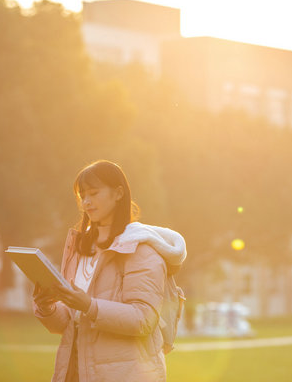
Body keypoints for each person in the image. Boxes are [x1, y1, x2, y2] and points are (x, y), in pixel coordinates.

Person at [32, 160, 186, 382]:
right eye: (82, 195)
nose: (86, 201)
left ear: (118, 193)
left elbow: (143, 319)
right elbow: (68, 325)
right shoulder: (82, 248)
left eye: (94, 193)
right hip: (74, 372)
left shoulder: (141, 249)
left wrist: (88, 305)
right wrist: (46, 306)